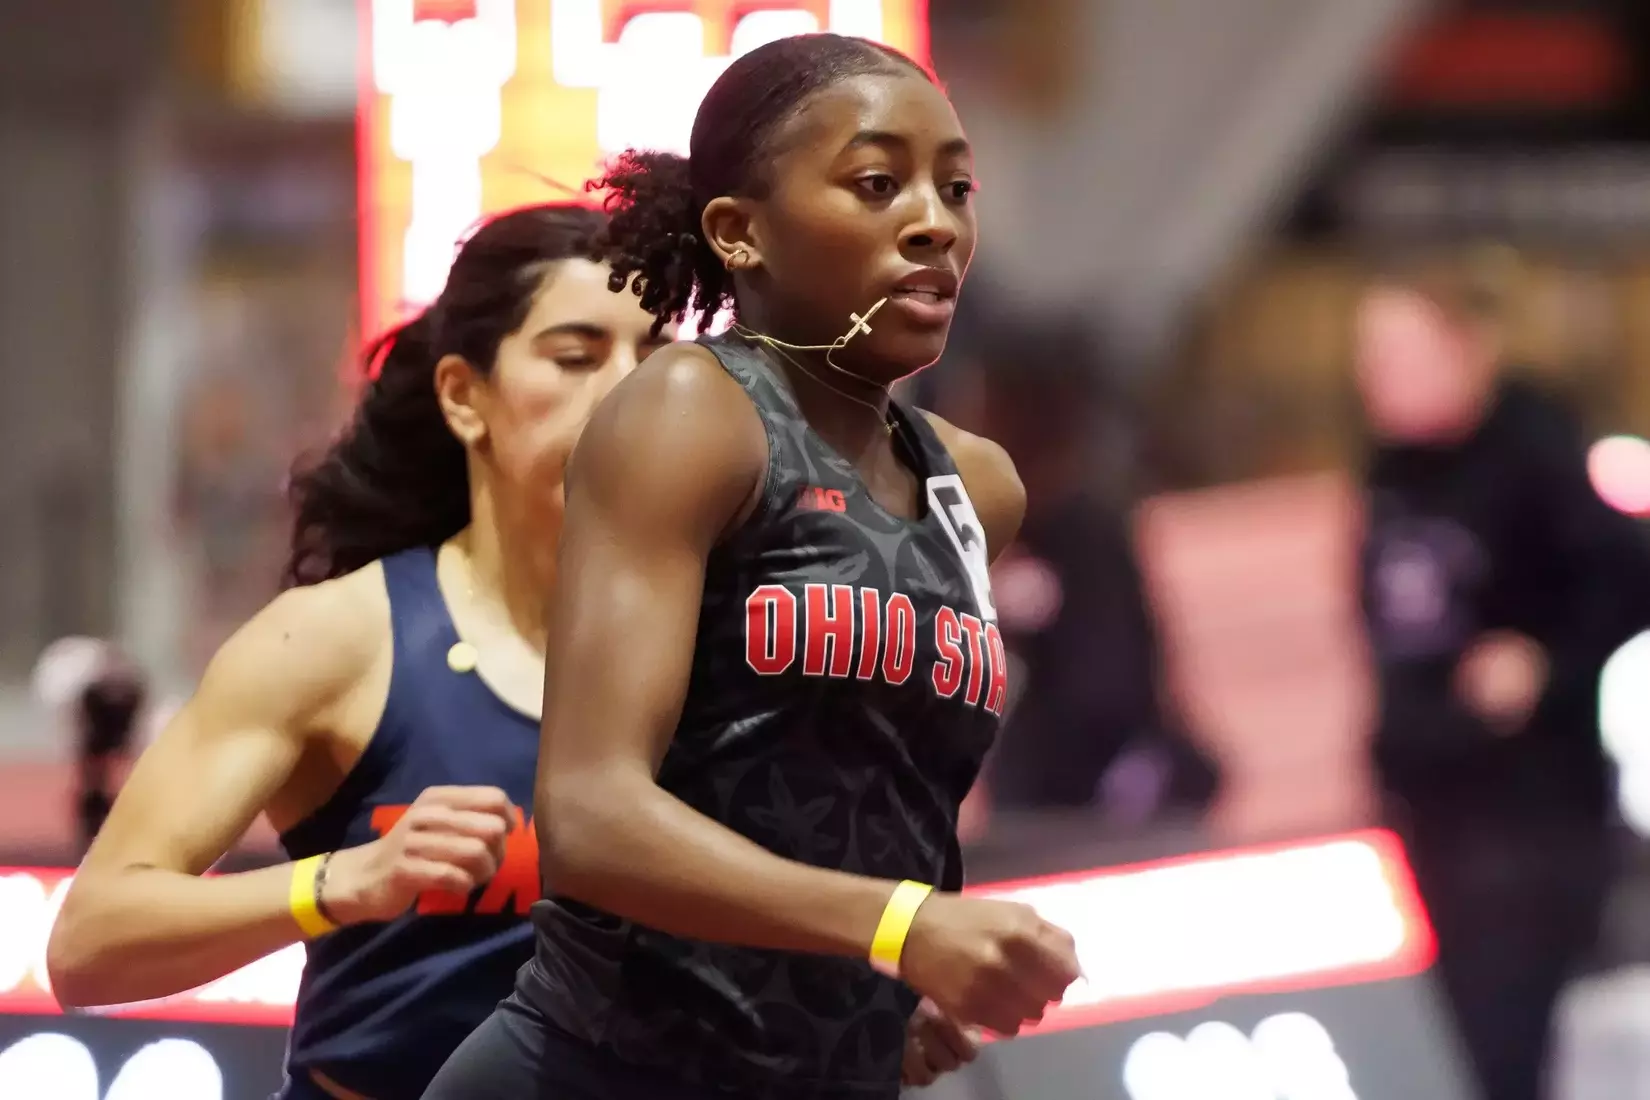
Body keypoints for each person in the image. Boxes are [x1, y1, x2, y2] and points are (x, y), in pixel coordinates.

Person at [424, 32, 1081, 1100]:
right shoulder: (694, 411)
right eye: (877, 183)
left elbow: (856, 785)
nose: (934, 223)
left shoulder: (978, 487)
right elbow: (590, 814)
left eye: (956, 187)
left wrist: (865, 991)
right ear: (739, 232)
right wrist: (897, 928)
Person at [45, 203, 673, 1100]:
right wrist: (346, 879)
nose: (626, 389)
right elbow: (90, 944)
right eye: (577, 357)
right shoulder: (338, 641)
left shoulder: (721, 643)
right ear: (464, 396)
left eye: (656, 360)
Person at [1354, 254, 1650, 1100]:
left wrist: (1544, 666)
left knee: (1498, 1052)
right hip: (1429, 803)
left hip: (1528, 823)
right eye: (1370, 359)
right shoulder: (1393, 465)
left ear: (1466, 353)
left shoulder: (1534, 455)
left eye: (1400, 357)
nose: (1376, 379)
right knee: (1437, 1046)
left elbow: (1628, 580)